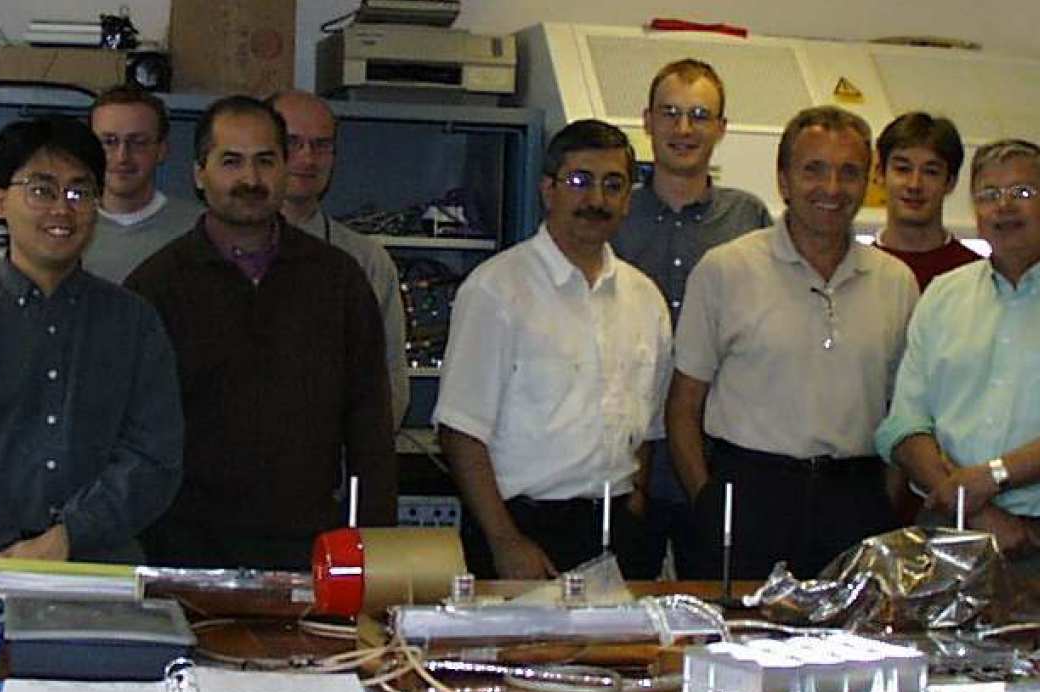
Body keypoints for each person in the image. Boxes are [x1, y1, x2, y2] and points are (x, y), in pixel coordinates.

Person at [0, 118, 183, 681]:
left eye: (80, 192)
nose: (62, 209)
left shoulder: (133, 322)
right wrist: (10, 552)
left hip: (103, 577)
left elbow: (154, 457)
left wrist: (68, 537)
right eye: (41, 190)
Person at [126, 96, 395, 570]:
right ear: (199, 174)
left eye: (265, 161)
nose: (250, 179)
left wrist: (370, 549)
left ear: (285, 170)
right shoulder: (157, 286)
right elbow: (133, 438)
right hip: (184, 551)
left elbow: (370, 426)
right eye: (231, 161)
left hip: (310, 549)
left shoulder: (337, 280)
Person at [667, 106, 917, 579]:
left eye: (849, 172)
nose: (831, 188)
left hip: (855, 500)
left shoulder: (895, 281)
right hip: (750, 496)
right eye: (813, 170)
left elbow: (903, 411)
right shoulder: (726, 269)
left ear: (868, 183)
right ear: (783, 180)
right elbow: (683, 407)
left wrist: (883, 503)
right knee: (740, 625)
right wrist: (709, 503)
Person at [876, 139, 1040, 566]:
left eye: (1023, 192)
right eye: (989, 194)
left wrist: (992, 477)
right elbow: (903, 425)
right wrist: (974, 507)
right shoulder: (944, 294)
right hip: (947, 525)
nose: (1004, 207)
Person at [435, 119, 672, 579]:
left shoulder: (645, 299)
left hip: (618, 529)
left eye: (613, 185)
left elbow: (648, 431)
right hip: (523, 528)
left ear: (628, 198)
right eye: (580, 181)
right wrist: (505, 541)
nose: (596, 199)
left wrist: (636, 505)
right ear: (548, 189)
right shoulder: (496, 290)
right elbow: (460, 432)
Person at [608, 58, 770, 578]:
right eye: (670, 113)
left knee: (723, 605)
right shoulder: (612, 214)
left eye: (700, 115)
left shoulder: (749, 220)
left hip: (717, 461)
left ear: (721, 128)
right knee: (621, 607)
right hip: (626, 460)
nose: (683, 128)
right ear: (647, 121)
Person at [268, 90, 410, 427]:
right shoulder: (220, 250)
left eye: (321, 145)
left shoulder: (366, 261)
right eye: (292, 143)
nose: (307, 158)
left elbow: (390, 379)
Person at [81, 85, 202, 283]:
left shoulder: (198, 228)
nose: (122, 157)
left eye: (138, 142)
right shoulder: (68, 224)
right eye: (109, 142)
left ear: (161, 150)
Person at [872, 112, 980, 291]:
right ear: (880, 174)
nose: (914, 184)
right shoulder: (857, 274)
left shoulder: (977, 278)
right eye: (903, 169)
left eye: (930, 172)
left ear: (951, 182)